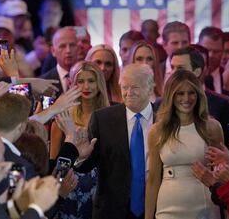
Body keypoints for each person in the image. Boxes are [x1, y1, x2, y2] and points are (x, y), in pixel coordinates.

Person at [57, 64, 155, 219]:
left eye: (135, 87)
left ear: (150, 88)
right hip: (112, 210)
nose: (129, 93)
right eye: (125, 87)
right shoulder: (103, 119)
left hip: (157, 207)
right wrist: (81, 157)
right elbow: (88, 166)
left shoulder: (165, 117)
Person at [146, 69, 223, 219]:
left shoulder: (212, 127)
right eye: (180, 93)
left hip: (205, 204)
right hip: (168, 206)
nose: (186, 98)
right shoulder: (157, 131)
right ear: (171, 96)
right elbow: (153, 178)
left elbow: (222, 173)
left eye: (191, 93)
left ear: (198, 94)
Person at [50, 61, 109, 219]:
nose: (86, 87)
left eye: (91, 81)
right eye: (80, 81)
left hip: (100, 189)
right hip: (67, 188)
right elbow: (54, 162)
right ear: (72, 84)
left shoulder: (109, 117)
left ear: (99, 83)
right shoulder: (62, 117)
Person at [40, 27, 78, 97]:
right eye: (62, 46)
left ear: (78, 48)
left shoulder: (88, 78)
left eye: (72, 45)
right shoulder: (43, 82)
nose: (68, 50)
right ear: (53, 51)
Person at [198, 26, 227, 95]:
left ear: (223, 51)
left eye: (216, 51)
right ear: (198, 47)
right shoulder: (188, 77)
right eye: (207, 50)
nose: (211, 55)